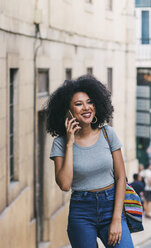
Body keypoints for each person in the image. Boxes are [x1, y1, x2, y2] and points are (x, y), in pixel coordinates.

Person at [46, 75, 133, 247]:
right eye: (78, 104)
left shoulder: (108, 134)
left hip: (111, 206)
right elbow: (64, 185)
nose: (86, 108)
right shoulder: (60, 144)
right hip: (81, 212)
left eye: (90, 102)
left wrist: (116, 220)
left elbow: (121, 177)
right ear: (68, 110)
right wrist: (70, 143)